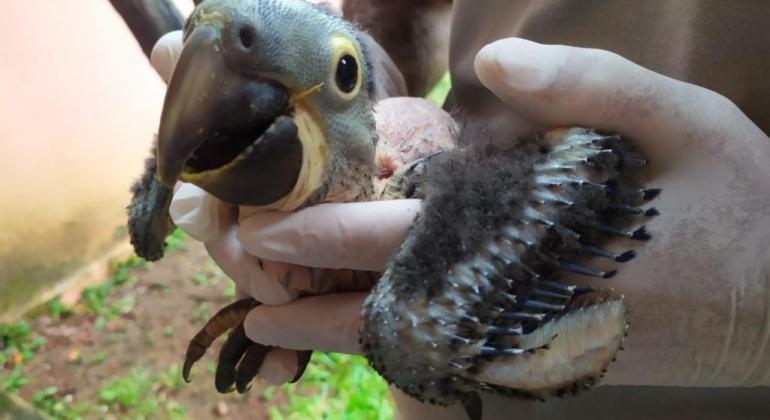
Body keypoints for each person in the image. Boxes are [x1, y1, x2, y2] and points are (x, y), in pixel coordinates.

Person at [150, 1, 770, 418]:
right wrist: (366, 88)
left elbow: (582, 162)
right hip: (449, 375)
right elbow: (396, 13)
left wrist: (759, 302)